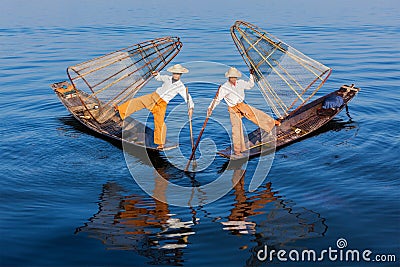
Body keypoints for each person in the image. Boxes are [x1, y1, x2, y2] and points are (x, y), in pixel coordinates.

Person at [117, 64, 194, 150]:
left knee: (159, 123)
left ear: (180, 75)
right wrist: (156, 74)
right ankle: (121, 110)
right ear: (172, 73)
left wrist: (190, 108)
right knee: (137, 102)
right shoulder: (167, 78)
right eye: (175, 73)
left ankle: (160, 143)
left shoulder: (181, 86)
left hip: (161, 104)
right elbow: (159, 78)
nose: (176, 75)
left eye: (178, 74)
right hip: (153, 96)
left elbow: (187, 97)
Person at [207, 67, 280, 157]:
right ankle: (238, 150)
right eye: (231, 77)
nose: (233, 79)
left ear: (236, 77)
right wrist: (210, 108)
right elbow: (217, 99)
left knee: (256, 115)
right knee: (236, 129)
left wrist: (251, 75)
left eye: (234, 77)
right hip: (233, 109)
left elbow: (250, 85)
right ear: (229, 77)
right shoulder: (224, 87)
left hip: (241, 105)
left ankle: (272, 123)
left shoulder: (240, 83)